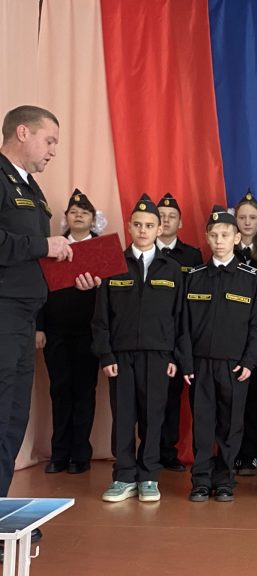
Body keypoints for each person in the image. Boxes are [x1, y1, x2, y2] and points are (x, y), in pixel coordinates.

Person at [0, 105, 84, 549]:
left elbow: (34, 258)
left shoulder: (30, 187)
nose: (53, 151)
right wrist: (42, 244)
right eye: (49, 140)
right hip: (2, 313)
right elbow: (22, 246)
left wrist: (74, 270)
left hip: (23, 316)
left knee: (13, 421)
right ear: (22, 131)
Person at [92, 194, 185, 503]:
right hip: (121, 355)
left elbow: (179, 318)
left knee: (153, 417)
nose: (143, 230)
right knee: (123, 417)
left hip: (158, 355)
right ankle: (123, 477)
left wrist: (175, 356)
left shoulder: (172, 269)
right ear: (129, 227)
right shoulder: (113, 265)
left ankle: (148, 477)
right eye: (138, 224)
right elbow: (101, 316)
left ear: (160, 229)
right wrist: (106, 354)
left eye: (149, 225)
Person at [183, 206, 257, 502]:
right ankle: (201, 481)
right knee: (203, 425)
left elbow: (256, 325)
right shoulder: (195, 277)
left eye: (225, 235)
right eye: (214, 235)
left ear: (236, 238)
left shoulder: (250, 278)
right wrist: (186, 363)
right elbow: (183, 325)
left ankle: (226, 479)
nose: (219, 241)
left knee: (231, 426)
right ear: (207, 237)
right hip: (201, 364)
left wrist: (249, 361)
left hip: (234, 366)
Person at [38, 189, 103, 475]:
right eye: (74, 212)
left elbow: (114, 297)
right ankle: (59, 454)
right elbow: (40, 289)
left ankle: (80, 455)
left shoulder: (102, 250)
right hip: (56, 332)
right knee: (59, 390)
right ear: (66, 217)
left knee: (85, 392)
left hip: (89, 333)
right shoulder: (54, 247)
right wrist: (39, 327)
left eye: (84, 212)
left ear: (93, 219)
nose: (78, 216)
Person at [156, 191, 203, 473]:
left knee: (173, 396)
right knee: (149, 397)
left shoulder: (192, 255)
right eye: (161, 216)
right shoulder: (141, 253)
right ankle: (148, 450)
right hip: (151, 333)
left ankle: (168, 451)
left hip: (181, 333)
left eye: (171, 216)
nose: (166, 220)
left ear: (180, 222)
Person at [232, 190, 257, 476]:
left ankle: (249, 454)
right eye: (242, 217)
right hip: (231, 337)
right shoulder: (226, 251)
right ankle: (230, 452)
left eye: (252, 218)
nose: (247, 222)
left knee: (254, 399)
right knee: (231, 399)